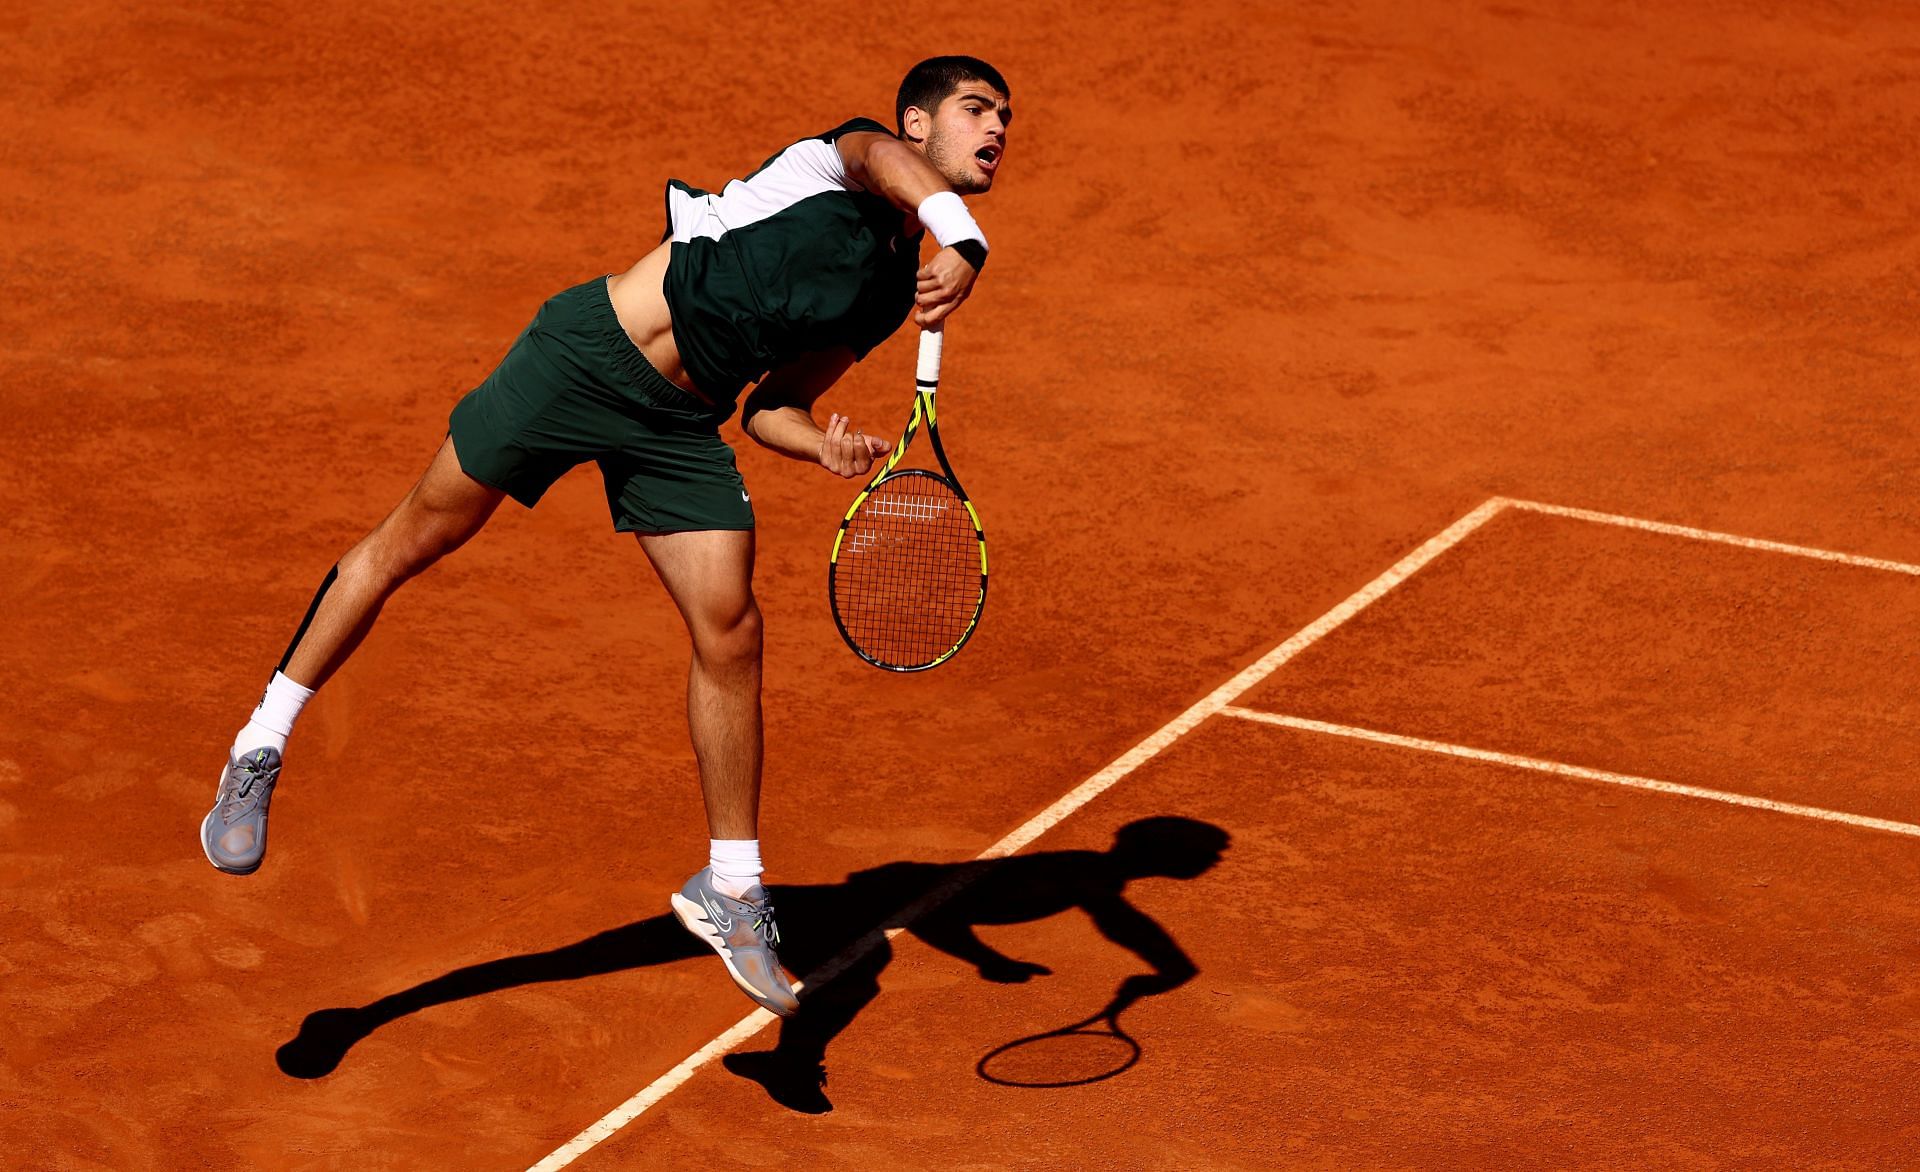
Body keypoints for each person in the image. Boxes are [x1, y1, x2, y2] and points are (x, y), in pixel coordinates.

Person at [200, 56, 1014, 1020]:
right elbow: (880, 162)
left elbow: (775, 405)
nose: (997, 128)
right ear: (918, 124)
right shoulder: (837, 161)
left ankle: (733, 885)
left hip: (679, 430)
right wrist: (958, 232)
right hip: (583, 359)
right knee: (414, 540)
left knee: (732, 628)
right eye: (976, 110)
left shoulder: (888, 290)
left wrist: (821, 449)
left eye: (1006, 117)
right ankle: (261, 744)